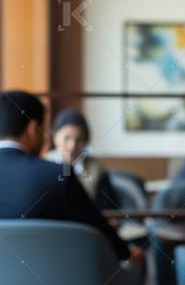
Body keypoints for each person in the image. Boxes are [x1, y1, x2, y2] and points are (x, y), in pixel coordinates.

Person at [0, 91, 131, 260]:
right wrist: (127, 253)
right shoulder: (57, 176)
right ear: (33, 129)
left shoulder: (85, 171)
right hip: (55, 281)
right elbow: (104, 239)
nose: (72, 145)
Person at [45, 109, 119, 210]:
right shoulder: (44, 163)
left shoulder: (97, 168)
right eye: (67, 138)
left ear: (85, 141)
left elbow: (108, 208)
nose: (72, 146)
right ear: (55, 136)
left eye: (78, 140)